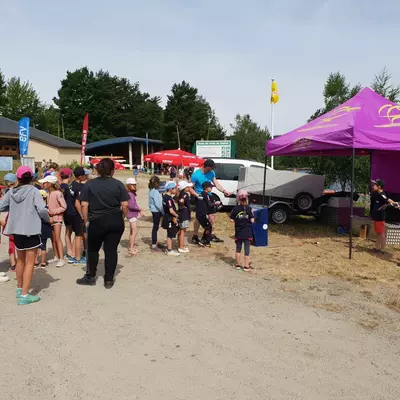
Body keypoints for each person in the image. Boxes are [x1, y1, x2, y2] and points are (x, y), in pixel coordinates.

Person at [76, 158, 130, 289]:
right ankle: (109, 279)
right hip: (115, 220)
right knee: (111, 250)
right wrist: (122, 217)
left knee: (93, 249)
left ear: (98, 169)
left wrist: (86, 220)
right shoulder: (118, 184)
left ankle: (90, 276)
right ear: (112, 170)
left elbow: (84, 204)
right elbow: (125, 204)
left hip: (96, 220)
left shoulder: (89, 184)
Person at [0, 166, 50, 305]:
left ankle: (19, 287)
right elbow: (41, 209)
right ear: (32, 177)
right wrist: (47, 219)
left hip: (16, 231)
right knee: (29, 263)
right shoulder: (34, 191)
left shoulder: (11, 191)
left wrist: (13, 207)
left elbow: (1, 206)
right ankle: (24, 295)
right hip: (31, 230)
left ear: (18, 178)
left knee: (20, 260)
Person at [190, 159, 231, 244]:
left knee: (212, 216)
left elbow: (216, 183)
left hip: (210, 196)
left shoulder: (212, 173)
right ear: (207, 167)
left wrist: (224, 191)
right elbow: (190, 188)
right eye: (212, 167)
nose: (213, 169)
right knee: (199, 217)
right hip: (200, 198)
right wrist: (198, 196)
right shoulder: (196, 175)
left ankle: (210, 235)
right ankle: (195, 236)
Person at [40, 175, 67, 267]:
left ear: (50, 184)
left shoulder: (57, 193)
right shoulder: (47, 194)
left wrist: (52, 212)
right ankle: (56, 256)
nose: (43, 184)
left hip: (57, 219)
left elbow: (64, 206)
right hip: (50, 220)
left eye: (45, 182)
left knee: (57, 238)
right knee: (53, 239)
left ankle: (61, 258)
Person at [370, 179, 398, 254]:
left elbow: (388, 200)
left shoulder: (382, 194)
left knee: (381, 232)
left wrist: (396, 204)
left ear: (379, 186)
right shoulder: (375, 193)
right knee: (379, 233)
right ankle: (377, 247)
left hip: (380, 216)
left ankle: (382, 249)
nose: (373, 186)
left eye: (374, 185)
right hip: (376, 216)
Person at [230, 190, 255, 271]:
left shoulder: (235, 209)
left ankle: (237, 265)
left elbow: (232, 220)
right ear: (246, 199)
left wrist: (238, 220)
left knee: (238, 249)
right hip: (247, 232)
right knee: (247, 250)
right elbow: (252, 221)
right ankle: (246, 266)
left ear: (238, 199)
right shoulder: (249, 208)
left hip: (238, 232)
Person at [195, 181, 222, 246]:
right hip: (202, 214)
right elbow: (209, 205)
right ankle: (204, 240)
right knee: (208, 227)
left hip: (199, 213)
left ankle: (205, 240)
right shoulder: (206, 195)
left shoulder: (201, 194)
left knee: (208, 227)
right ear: (206, 188)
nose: (211, 188)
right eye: (210, 187)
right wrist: (216, 203)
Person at [3, 173, 17, 271]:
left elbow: (3, 206)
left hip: (11, 218)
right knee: (22, 241)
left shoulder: (8, 192)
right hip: (21, 218)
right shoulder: (20, 190)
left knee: (11, 242)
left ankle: (13, 264)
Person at [162, 182, 180, 256]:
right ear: (171, 189)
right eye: (175, 188)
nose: (176, 190)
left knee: (170, 232)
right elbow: (171, 210)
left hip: (167, 216)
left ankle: (169, 247)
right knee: (170, 233)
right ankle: (169, 250)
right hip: (169, 218)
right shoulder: (168, 199)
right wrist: (177, 215)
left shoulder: (165, 197)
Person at [126, 178, 142, 256]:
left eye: (134, 184)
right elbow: (131, 206)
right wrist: (139, 209)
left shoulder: (130, 194)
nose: (134, 186)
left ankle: (131, 246)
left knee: (132, 231)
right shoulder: (130, 194)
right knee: (134, 231)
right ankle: (131, 248)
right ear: (128, 185)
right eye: (132, 184)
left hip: (131, 214)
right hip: (131, 214)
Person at [148, 175, 164, 252]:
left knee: (156, 227)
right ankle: (154, 244)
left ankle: (155, 242)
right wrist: (163, 212)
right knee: (155, 227)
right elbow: (158, 203)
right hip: (156, 211)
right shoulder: (154, 191)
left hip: (154, 210)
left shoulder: (151, 190)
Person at [38, 190, 52, 268]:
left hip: (36, 228)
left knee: (36, 246)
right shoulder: (46, 207)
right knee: (43, 246)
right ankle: (43, 262)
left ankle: (36, 261)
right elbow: (49, 217)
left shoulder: (35, 207)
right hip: (45, 228)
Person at [177, 181, 192, 253]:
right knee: (183, 231)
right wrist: (181, 202)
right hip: (184, 214)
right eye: (187, 187)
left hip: (182, 214)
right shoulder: (185, 194)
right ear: (184, 188)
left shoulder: (181, 193)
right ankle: (181, 247)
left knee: (181, 230)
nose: (189, 188)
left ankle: (180, 245)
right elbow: (182, 200)